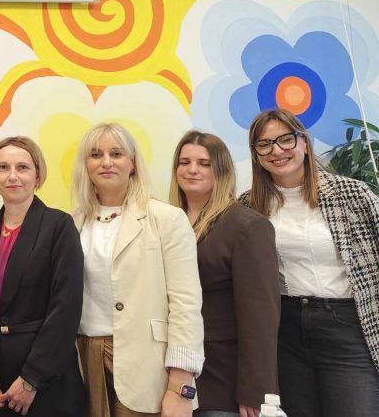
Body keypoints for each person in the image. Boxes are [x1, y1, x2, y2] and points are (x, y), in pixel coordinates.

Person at [240, 108, 379, 417]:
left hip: (347, 327)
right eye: (264, 144)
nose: (276, 150)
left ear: (303, 142)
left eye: (285, 139)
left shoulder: (352, 194)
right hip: (285, 331)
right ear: (256, 154)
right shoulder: (249, 206)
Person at [72, 122, 204, 417]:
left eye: (116, 153)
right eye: (96, 154)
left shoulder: (167, 219)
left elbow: (186, 304)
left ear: (132, 163)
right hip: (85, 363)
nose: (106, 162)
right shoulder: (73, 223)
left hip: (149, 368)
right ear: (86, 165)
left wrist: (180, 385)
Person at [0, 136, 86, 416]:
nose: (12, 176)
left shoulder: (59, 226)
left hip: (46, 382)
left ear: (38, 176)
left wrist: (31, 379)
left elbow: (66, 308)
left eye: (22, 167)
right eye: (3, 168)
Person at [169, 130, 279, 417]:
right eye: (184, 162)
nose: (192, 170)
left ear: (222, 170)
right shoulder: (166, 222)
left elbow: (260, 318)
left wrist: (256, 390)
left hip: (222, 379)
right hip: (171, 373)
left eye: (204, 163)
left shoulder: (246, 226)